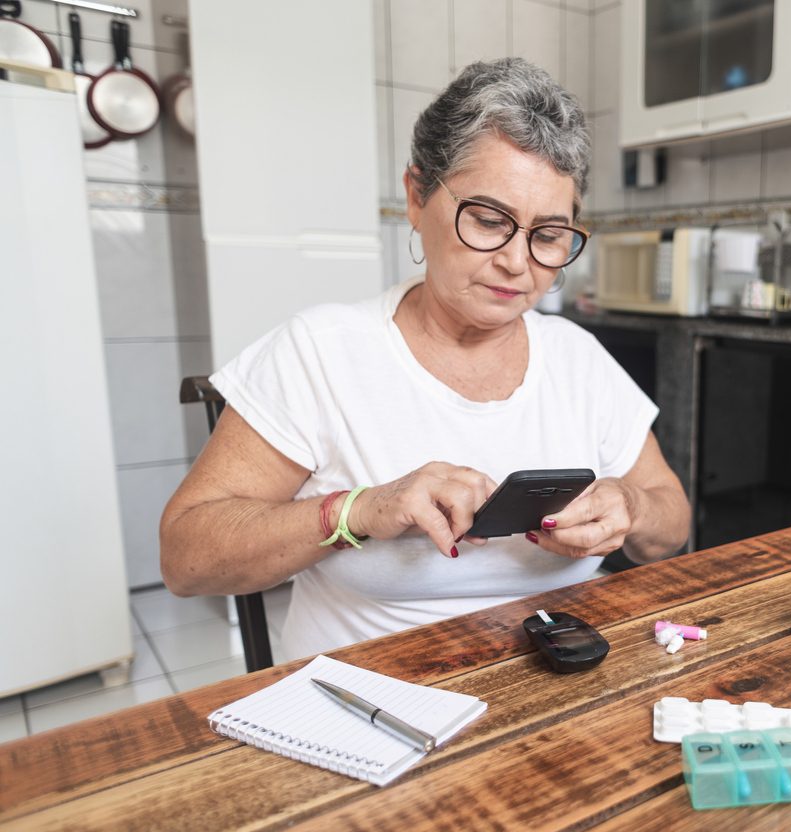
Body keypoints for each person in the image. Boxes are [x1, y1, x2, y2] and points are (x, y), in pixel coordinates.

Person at [161, 58, 691, 659]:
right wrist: (359, 510)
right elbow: (186, 559)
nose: (518, 263)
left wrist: (632, 507)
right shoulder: (320, 351)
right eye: (489, 221)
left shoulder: (577, 357)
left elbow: (670, 524)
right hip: (373, 701)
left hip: (557, 689)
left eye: (547, 236)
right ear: (417, 197)